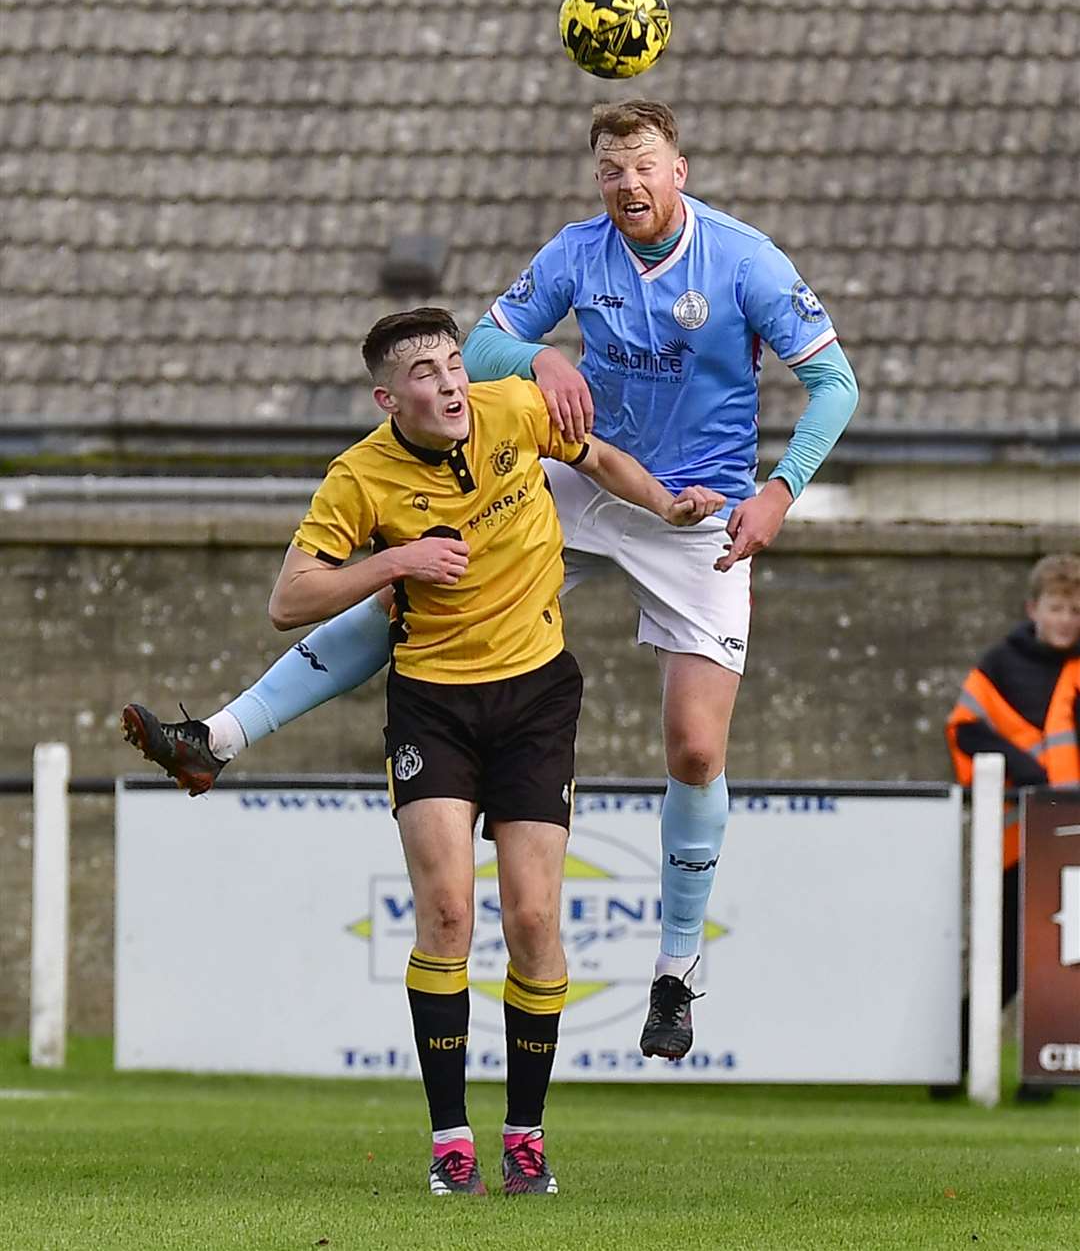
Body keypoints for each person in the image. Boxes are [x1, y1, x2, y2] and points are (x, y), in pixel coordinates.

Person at [121, 99, 859, 1061]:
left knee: (691, 749)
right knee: (420, 590)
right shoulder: (576, 252)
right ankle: (217, 736)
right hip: (585, 481)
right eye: (610, 171)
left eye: (644, 166)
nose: (628, 185)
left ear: (680, 169)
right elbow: (480, 345)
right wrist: (544, 355)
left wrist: (780, 491)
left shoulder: (745, 260)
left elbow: (834, 383)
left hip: (697, 516)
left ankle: (678, 970)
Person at [129, 307, 725, 1195]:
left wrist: (664, 502)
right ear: (387, 396)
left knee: (532, 921)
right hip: (433, 705)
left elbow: (593, 456)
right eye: (426, 374)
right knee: (446, 915)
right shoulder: (360, 477)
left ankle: (526, 1138)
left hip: (535, 697)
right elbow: (290, 598)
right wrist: (395, 563)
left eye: (453, 365)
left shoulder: (514, 410)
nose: (449, 383)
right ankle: (452, 1142)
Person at [945, 551, 1080, 1009]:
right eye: (1056, 608)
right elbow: (966, 727)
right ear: (1033, 609)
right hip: (1021, 833)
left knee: (1065, 954)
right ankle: (958, 1053)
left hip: (1074, 831)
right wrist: (1028, 772)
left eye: (1076, 611)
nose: (1065, 620)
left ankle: (1045, 1072)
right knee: (1006, 953)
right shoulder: (1003, 662)